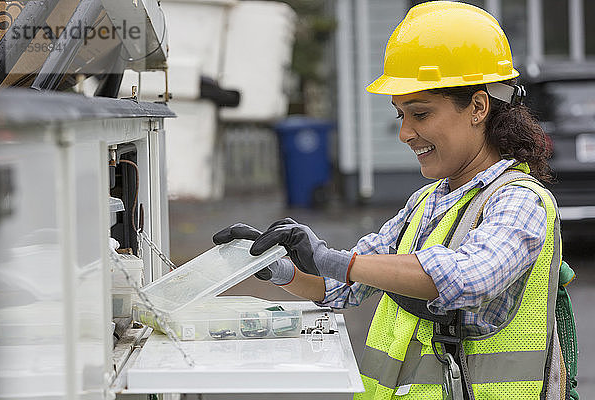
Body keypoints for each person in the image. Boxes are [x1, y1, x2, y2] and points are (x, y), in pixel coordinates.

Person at [214, 2, 567, 399]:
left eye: (421, 113)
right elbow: (343, 286)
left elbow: (470, 278)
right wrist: (277, 268)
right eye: (401, 115)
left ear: (478, 107)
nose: (406, 133)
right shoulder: (428, 201)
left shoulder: (520, 201)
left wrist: (332, 258)